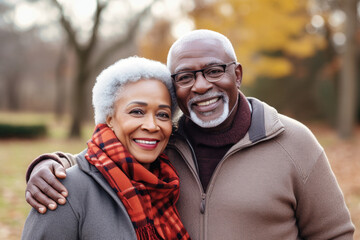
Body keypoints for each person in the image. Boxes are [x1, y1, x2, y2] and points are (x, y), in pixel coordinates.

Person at [24, 30, 355, 239]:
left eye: (214, 71)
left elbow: (334, 234)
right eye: (185, 77)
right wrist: (48, 164)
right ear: (175, 87)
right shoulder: (164, 145)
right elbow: (100, 163)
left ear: (236, 75)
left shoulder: (293, 143)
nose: (201, 86)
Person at [22, 56, 191, 240]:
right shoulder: (62, 190)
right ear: (109, 118)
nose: (152, 125)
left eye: (162, 114)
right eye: (137, 112)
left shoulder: (169, 183)